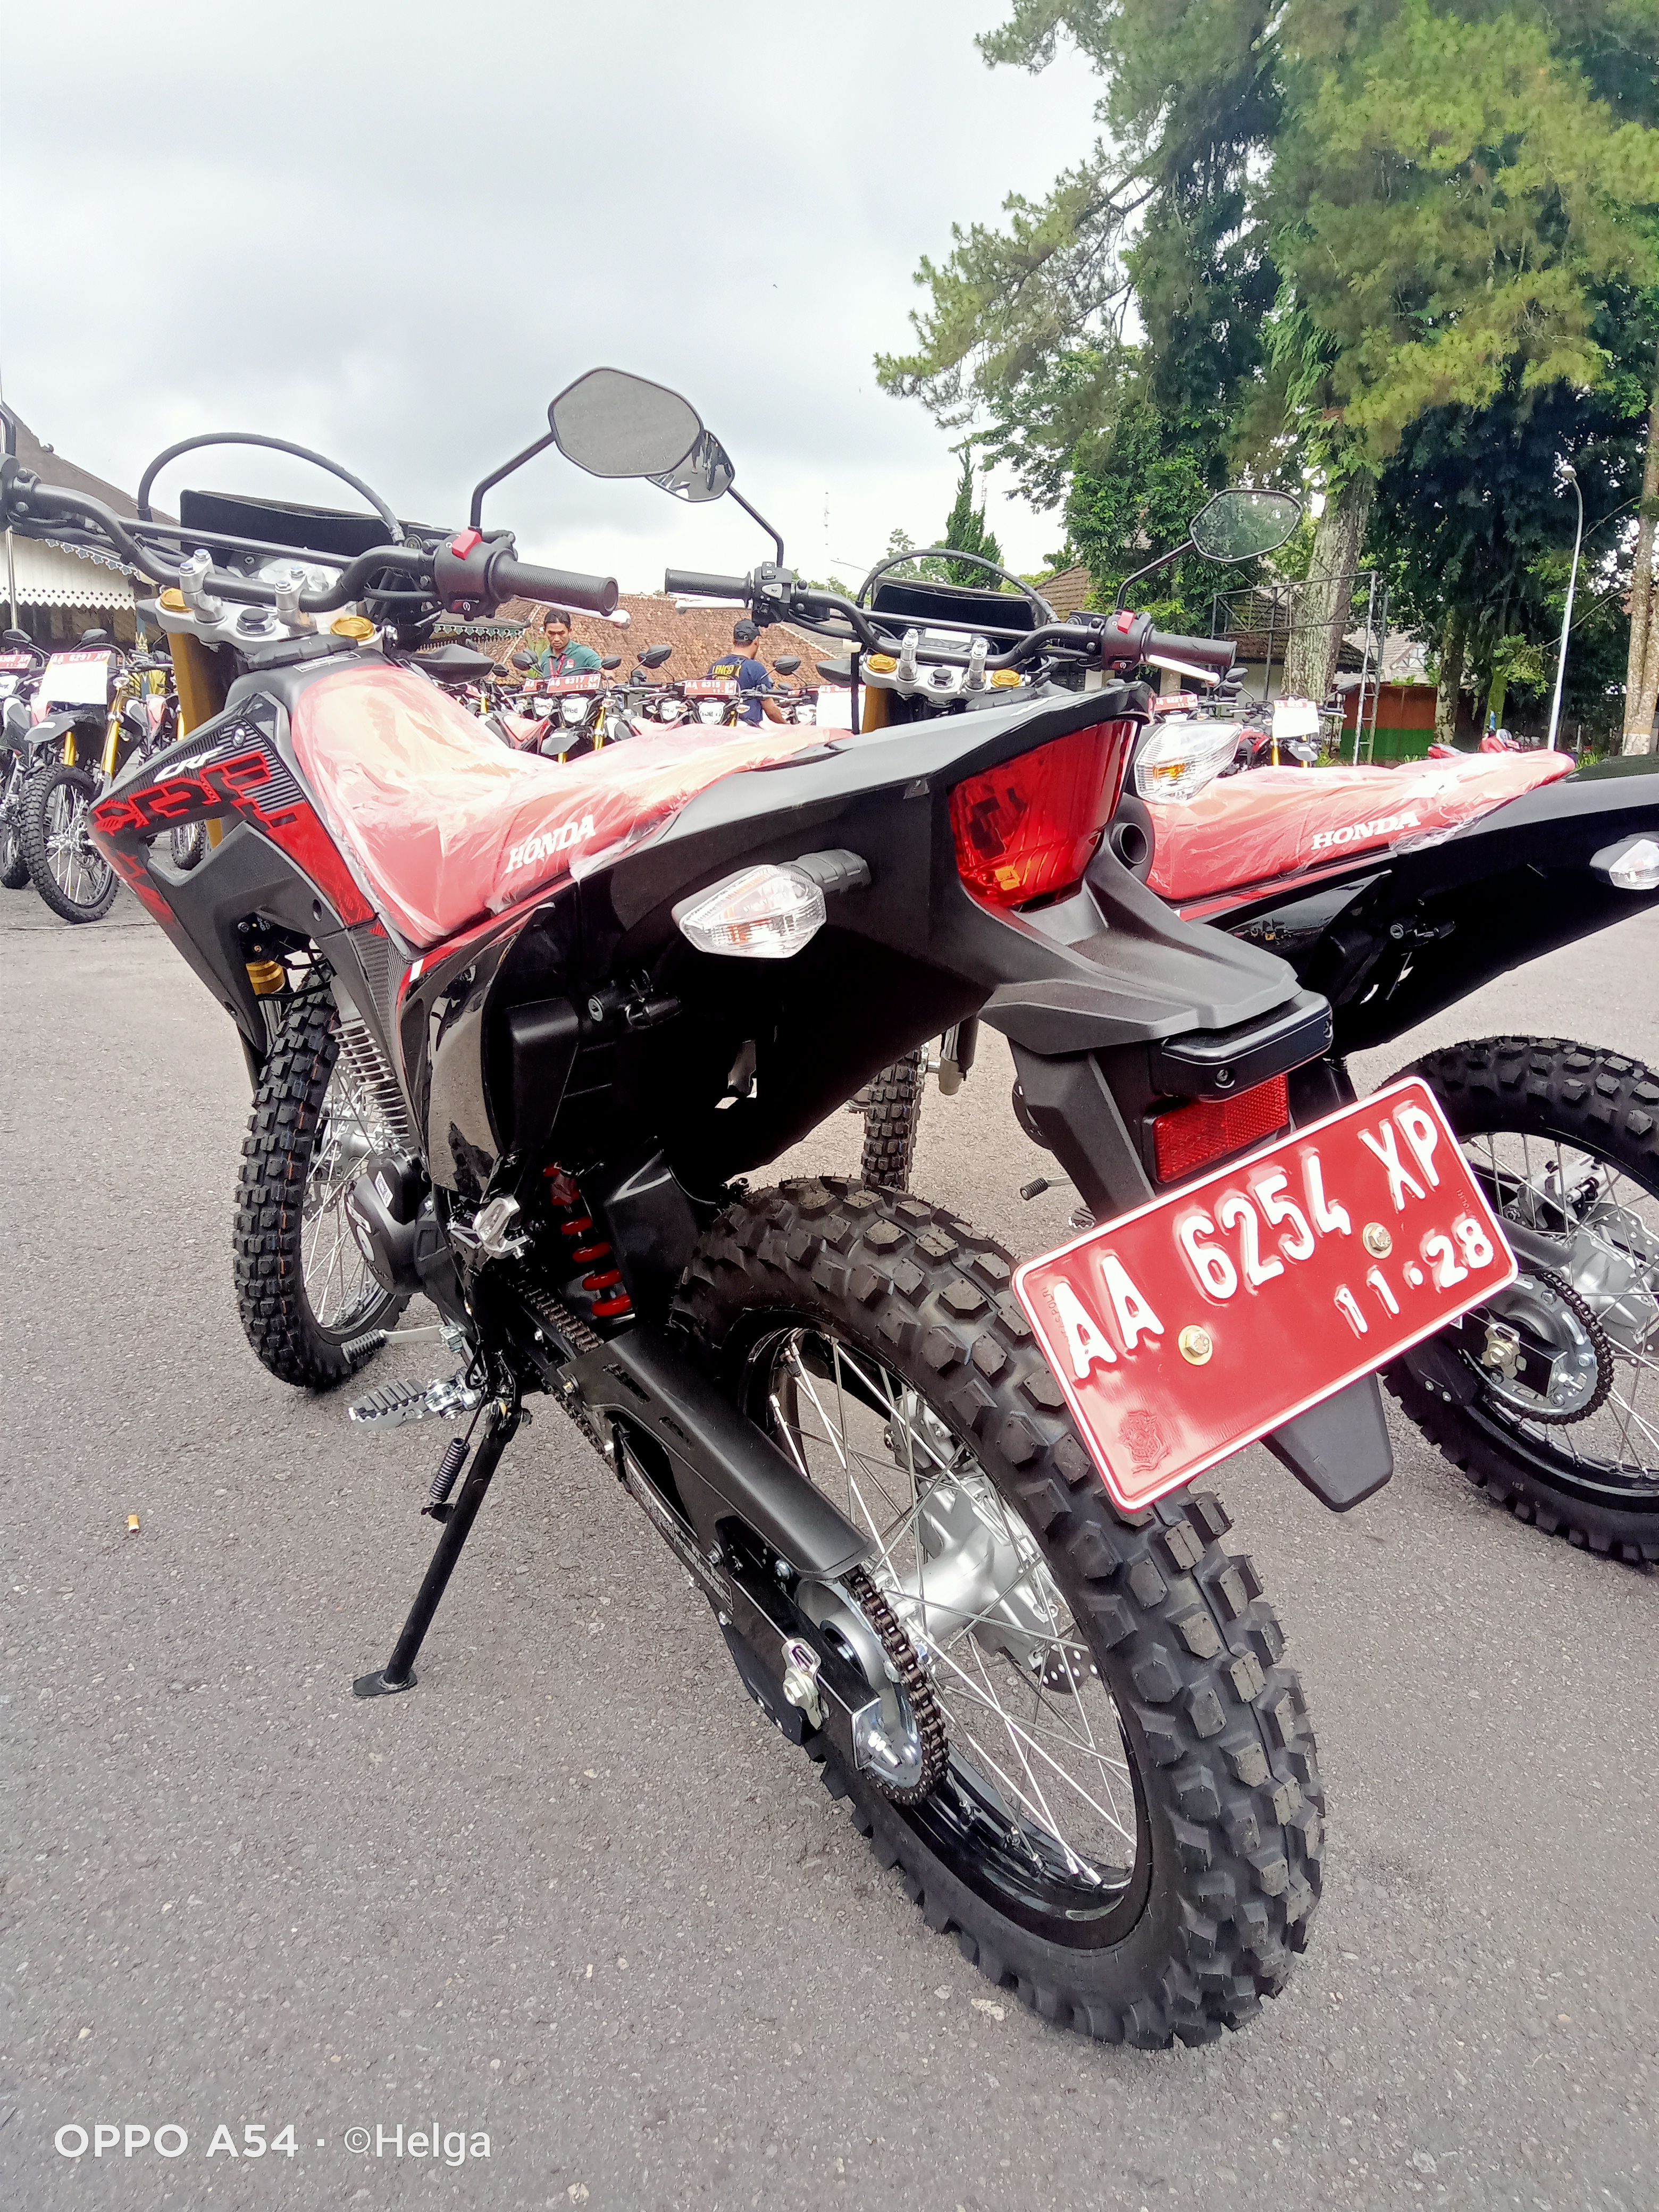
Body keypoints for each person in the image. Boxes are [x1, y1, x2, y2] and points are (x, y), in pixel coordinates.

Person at [707, 619, 785, 726]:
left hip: (718, 727)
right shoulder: (756, 669)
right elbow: (771, 710)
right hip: (746, 730)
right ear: (756, 641)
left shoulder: (715, 667)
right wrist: (789, 727)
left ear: (734, 641)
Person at [532, 609, 601, 680]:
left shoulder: (584, 653)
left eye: (561, 633)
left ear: (569, 631)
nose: (556, 639)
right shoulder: (545, 656)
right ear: (545, 631)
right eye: (551, 633)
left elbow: (604, 671)